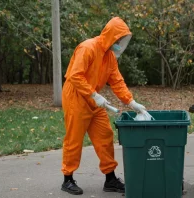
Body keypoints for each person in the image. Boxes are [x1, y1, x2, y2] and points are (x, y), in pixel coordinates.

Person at [60, 17, 148, 195]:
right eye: (118, 39)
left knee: (105, 136)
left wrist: (131, 102)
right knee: (74, 139)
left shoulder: (110, 57)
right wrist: (93, 94)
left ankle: (110, 179)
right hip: (76, 97)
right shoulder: (88, 48)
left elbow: (117, 82)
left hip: (95, 100)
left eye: (121, 41)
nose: (119, 43)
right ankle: (67, 179)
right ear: (111, 36)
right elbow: (75, 76)